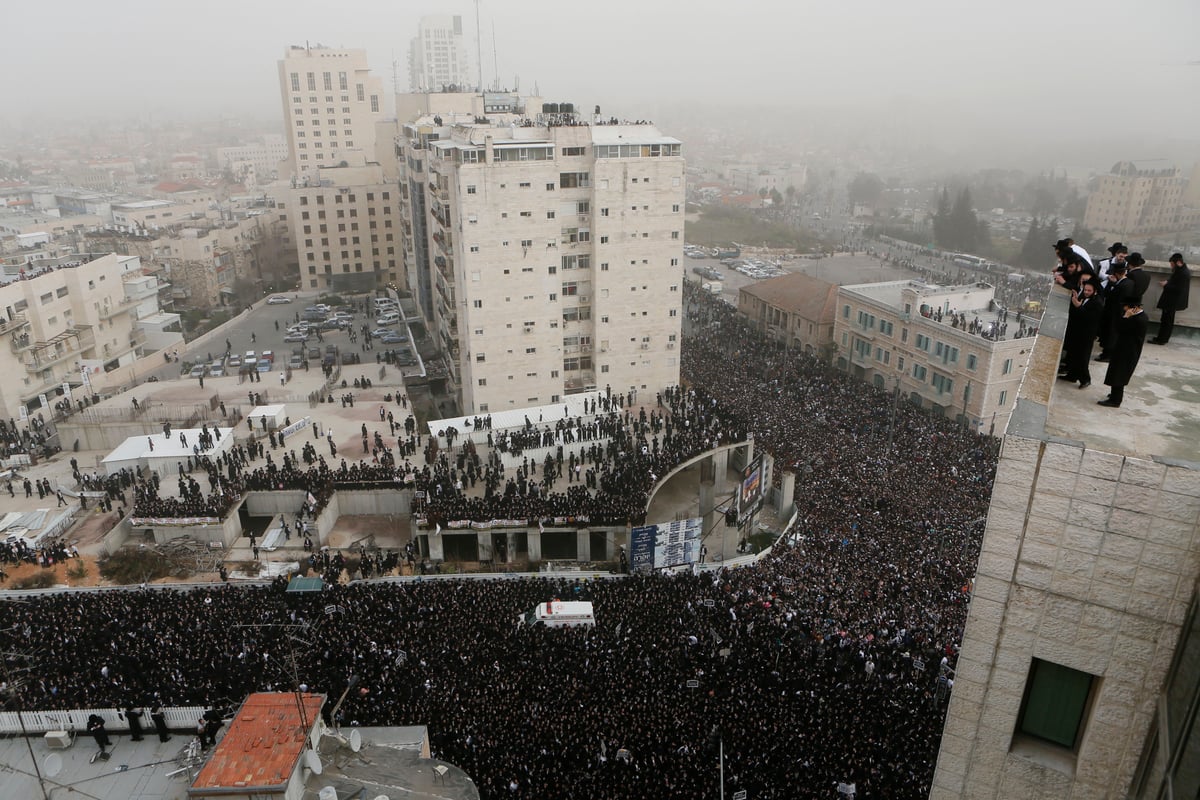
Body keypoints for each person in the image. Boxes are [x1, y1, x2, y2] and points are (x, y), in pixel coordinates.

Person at [1099, 297, 1147, 408]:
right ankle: (1114, 395)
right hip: (1122, 349)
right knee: (1116, 372)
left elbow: (1119, 328)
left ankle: (1116, 400)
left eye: (1126, 308)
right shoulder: (1137, 317)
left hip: (1127, 352)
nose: (1124, 309)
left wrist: (1126, 317)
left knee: (1119, 375)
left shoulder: (1139, 319)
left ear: (1133, 308)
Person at [1059, 281, 1102, 388]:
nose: (1086, 292)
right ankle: (1072, 375)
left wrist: (1079, 306)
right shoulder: (1082, 296)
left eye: (1089, 290)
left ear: (1095, 291)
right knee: (1073, 354)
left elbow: (1090, 318)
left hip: (1086, 335)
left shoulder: (1097, 302)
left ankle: (1085, 379)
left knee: (1082, 358)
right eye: (1085, 290)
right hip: (1077, 332)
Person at [1150, 253, 1190, 345]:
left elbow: (1179, 289)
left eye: (1172, 264)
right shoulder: (1181, 270)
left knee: (1167, 321)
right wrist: (1168, 282)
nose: (1171, 266)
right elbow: (1175, 282)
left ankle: (1162, 339)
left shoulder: (1183, 273)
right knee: (1166, 320)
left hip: (1172, 301)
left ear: (1178, 262)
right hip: (1171, 301)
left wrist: (1166, 285)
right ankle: (1162, 338)